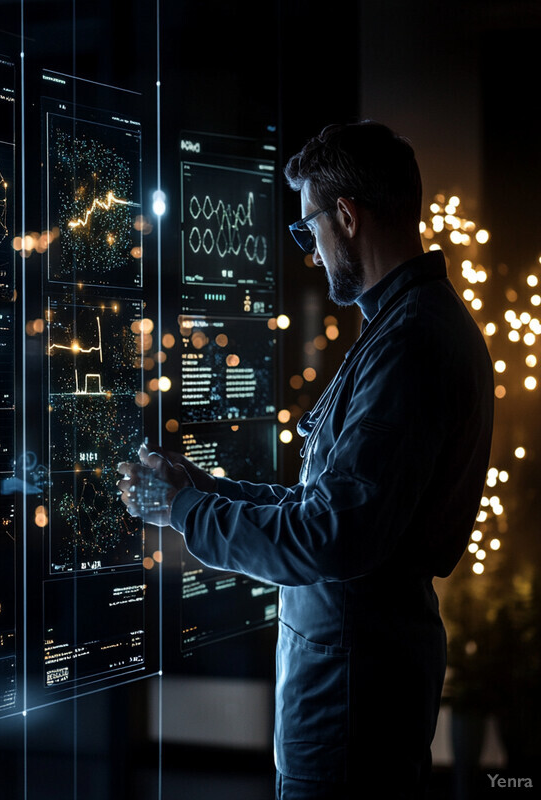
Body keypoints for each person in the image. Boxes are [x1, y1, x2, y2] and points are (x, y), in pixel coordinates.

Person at [118, 121, 494, 799]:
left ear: (346, 217)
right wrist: (201, 489)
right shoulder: (408, 326)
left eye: (308, 230)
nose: (311, 255)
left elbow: (334, 534)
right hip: (356, 683)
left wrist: (184, 510)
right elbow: (330, 502)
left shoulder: (408, 345)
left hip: (348, 698)